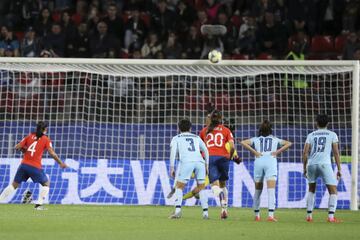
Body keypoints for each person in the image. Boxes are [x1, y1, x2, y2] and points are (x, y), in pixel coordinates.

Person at [0, 122, 67, 210]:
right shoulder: (46, 139)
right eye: (46, 129)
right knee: (46, 184)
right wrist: (60, 163)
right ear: (44, 130)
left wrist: (24, 150)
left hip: (23, 165)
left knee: (14, 185)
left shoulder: (29, 136)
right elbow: (52, 153)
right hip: (35, 166)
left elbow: (17, 147)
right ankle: (38, 205)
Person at [240, 120, 292, 222]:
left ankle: (257, 215)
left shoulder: (256, 139)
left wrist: (255, 152)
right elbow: (289, 143)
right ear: (270, 129)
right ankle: (270, 216)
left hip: (259, 161)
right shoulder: (275, 139)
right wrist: (277, 152)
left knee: (258, 190)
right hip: (270, 162)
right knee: (271, 190)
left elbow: (243, 142)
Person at [302, 114, 342, 223]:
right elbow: (336, 153)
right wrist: (339, 169)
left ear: (316, 123)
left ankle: (309, 216)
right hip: (325, 164)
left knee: (311, 189)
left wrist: (304, 168)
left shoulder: (311, 135)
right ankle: (331, 217)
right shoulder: (332, 134)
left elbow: (305, 152)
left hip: (311, 164)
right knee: (333, 191)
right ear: (328, 123)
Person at [169, 118, 209, 219]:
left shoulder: (176, 138)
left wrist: (172, 167)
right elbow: (206, 150)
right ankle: (205, 213)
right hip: (200, 162)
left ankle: (177, 211)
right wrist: (207, 165)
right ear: (190, 128)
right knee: (201, 187)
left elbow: (173, 153)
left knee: (179, 186)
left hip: (187, 162)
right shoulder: (196, 137)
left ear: (179, 128)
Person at [199, 110, 234, 219]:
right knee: (223, 184)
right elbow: (232, 147)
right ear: (220, 119)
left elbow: (200, 148)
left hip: (211, 158)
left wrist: (202, 159)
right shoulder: (226, 130)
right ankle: (224, 210)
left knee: (214, 185)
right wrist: (230, 156)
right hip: (224, 158)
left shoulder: (204, 131)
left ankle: (220, 195)